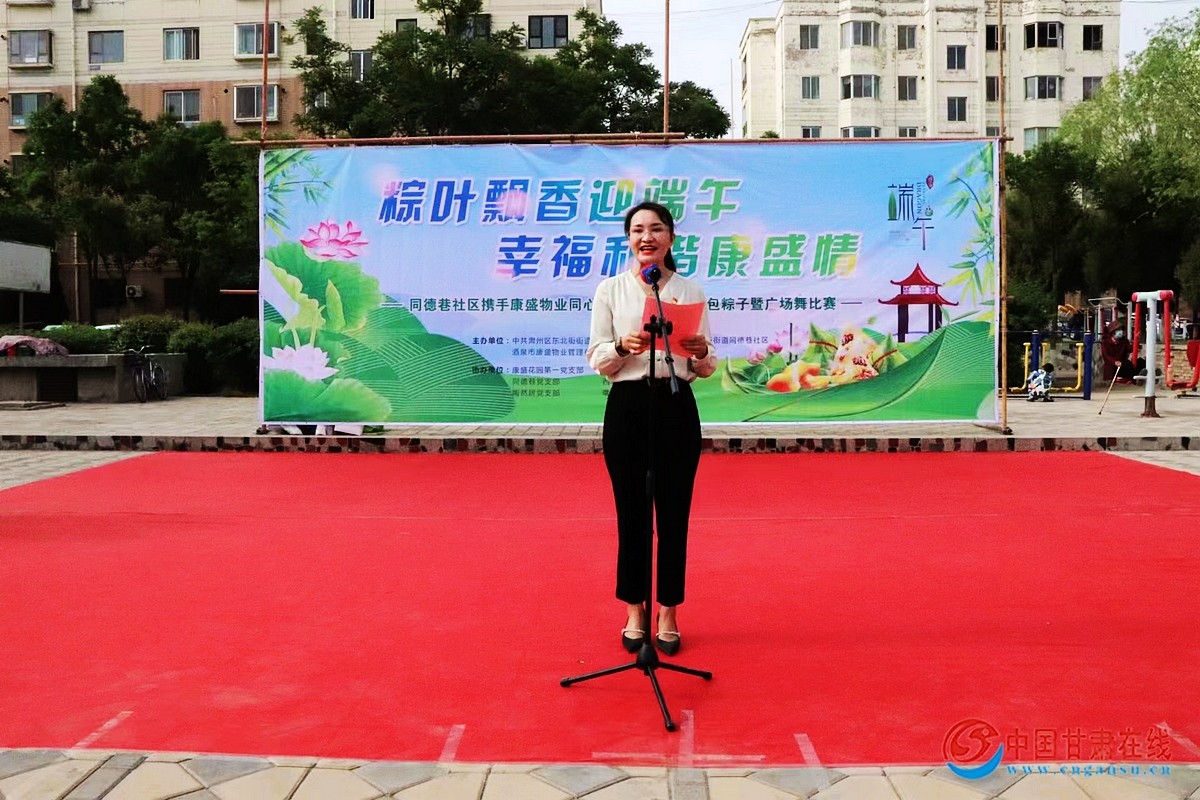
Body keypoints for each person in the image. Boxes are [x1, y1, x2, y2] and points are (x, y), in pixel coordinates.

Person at [586, 201, 718, 657]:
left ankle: (669, 613)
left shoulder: (688, 291)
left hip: (675, 404)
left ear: (670, 239)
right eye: (638, 230)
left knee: (674, 516)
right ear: (628, 239)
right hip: (627, 406)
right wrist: (622, 346)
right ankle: (634, 610)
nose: (647, 237)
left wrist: (700, 353)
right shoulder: (610, 290)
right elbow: (598, 359)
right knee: (632, 515)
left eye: (657, 229)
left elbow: (705, 366)